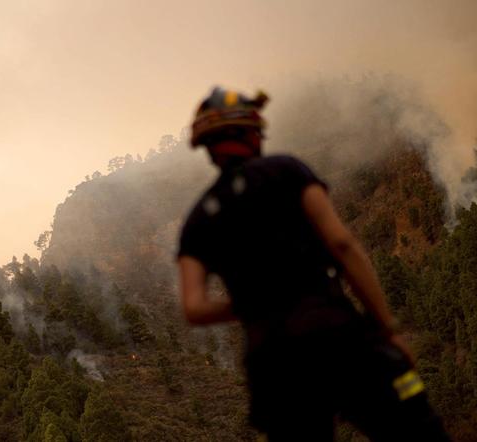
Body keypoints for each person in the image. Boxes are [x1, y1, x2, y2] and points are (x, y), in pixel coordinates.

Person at [176, 87, 451, 441]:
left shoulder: (198, 219)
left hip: (272, 365)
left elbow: (193, 308)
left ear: (208, 147)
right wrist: (387, 328)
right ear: (253, 132)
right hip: (337, 335)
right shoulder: (285, 170)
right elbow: (342, 244)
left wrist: (254, 303)